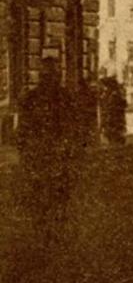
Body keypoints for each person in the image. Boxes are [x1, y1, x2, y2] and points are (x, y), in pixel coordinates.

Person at [16, 57, 79, 245]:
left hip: (41, 153)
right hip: (54, 153)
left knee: (42, 191)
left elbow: (22, 128)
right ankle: (52, 227)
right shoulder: (63, 96)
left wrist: (23, 149)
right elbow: (72, 126)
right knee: (56, 192)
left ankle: (45, 226)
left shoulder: (32, 97)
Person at [99, 76, 127, 144]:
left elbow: (120, 105)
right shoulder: (112, 94)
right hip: (113, 120)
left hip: (114, 119)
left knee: (115, 135)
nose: (105, 88)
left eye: (106, 86)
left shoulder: (115, 95)